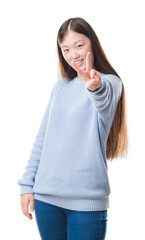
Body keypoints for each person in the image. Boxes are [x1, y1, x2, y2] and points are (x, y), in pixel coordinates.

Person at [17, 17, 128, 240]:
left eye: (79, 45)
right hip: (46, 199)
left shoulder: (110, 83)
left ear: (92, 44)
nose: (73, 55)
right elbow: (42, 140)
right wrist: (26, 185)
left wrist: (94, 86)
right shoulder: (60, 87)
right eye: (66, 49)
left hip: (86, 203)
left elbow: (103, 99)